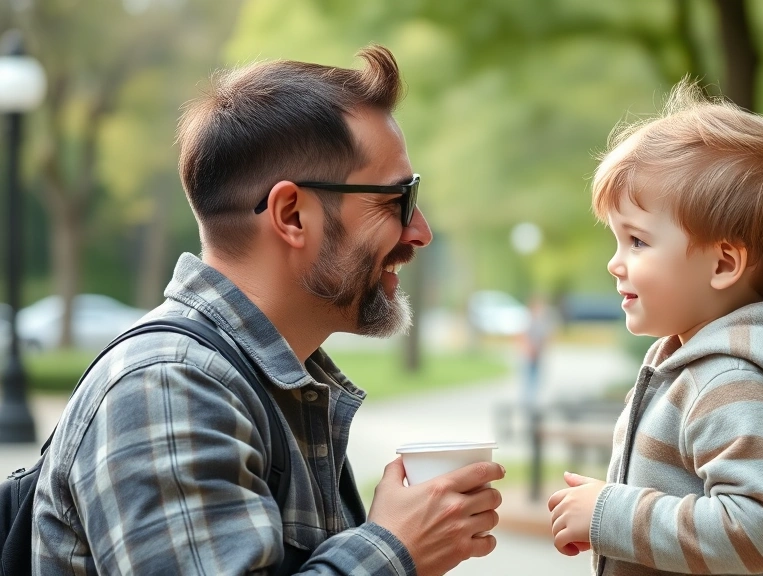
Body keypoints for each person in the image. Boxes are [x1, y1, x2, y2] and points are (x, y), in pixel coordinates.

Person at [32, 45, 504, 575]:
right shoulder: (167, 388)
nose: (420, 232)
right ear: (291, 215)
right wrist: (393, 551)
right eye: (398, 200)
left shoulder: (273, 387)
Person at [547, 80, 763, 576]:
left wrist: (609, 513)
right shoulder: (702, 367)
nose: (615, 264)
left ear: (724, 263)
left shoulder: (732, 381)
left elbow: (754, 530)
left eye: (638, 241)